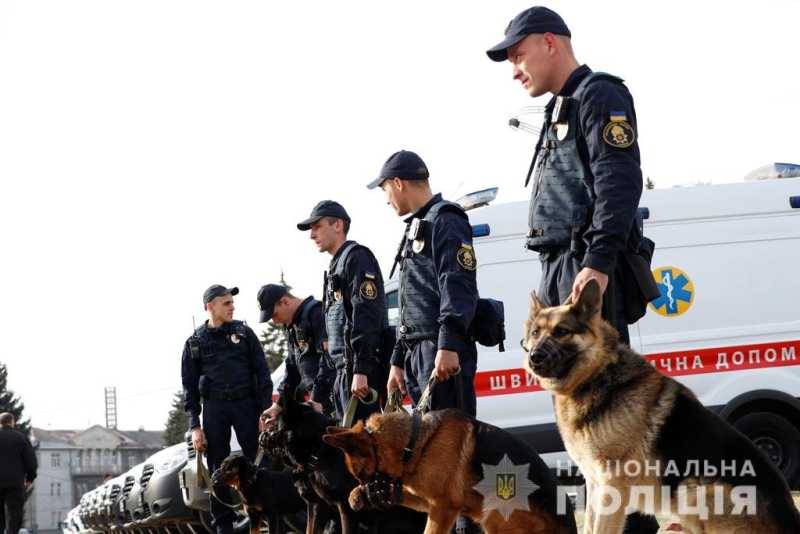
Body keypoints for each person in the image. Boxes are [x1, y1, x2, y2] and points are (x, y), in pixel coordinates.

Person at [487, 7, 658, 533]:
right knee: (583, 424)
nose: (515, 69)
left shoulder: (599, 96)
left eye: (518, 55)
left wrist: (598, 264)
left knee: (606, 420)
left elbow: (619, 183)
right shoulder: (562, 108)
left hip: (584, 275)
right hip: (560, 269)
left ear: (549, 43)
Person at [369, 150, 480, 534]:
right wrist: (398, 360)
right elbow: (411, 301)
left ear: (398, 183)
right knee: (430, 457)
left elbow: (458, 286)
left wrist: (448, 345)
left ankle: (471, 528)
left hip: (441, 350)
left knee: (454, 456)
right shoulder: (416, 226)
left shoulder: (445, 221)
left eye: (385, 189)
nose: (386, 199)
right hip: (419, 353)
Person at [180, 285, 273, 534]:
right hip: (215, 408)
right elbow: (189, 388)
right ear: (210, 307)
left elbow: (262, 373)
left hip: (246, 404)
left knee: (259, 460)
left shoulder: (244, 334)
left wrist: (264, 412)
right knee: (218, 467)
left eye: (232, 302)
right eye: (226, 303)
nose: (232, 307)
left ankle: (269, 518)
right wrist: (195, 425)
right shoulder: (195, 342)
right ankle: (224, 526)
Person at [297, 200, 390, 424]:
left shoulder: (357, 258)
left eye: (317, 227)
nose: (312, 235)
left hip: (359, 376)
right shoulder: (334, 267)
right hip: (343, 375)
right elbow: (332, 341)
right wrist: (319, 396)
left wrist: (362, 370)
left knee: (365, 450)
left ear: (337, 225)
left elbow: (366, 316)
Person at [257, 283, 335, 418]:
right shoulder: (293, 325)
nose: (274, 321)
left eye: (274, 314)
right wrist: (279, 404)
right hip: (319, 398)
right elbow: (292, 366)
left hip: (333, 393)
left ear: (285, 301)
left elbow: (329, 359)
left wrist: (317, 398)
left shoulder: (316, 314)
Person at [0, 413, 36, 534]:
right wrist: (30, 478)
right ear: (12, 422)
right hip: (15, 484)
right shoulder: (21, 438)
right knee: (14, 516)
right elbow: (31, 461)